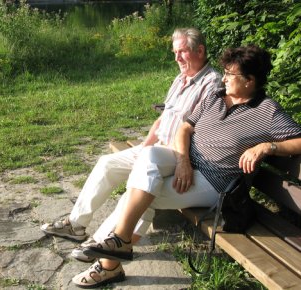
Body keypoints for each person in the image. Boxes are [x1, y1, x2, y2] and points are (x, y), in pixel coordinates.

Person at [71, 45, 301, 288]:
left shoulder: (267, 111)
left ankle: (109, 259)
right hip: (187, 162)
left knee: (142, 193)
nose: (223, 78)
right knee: (147, 158)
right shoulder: (216, 96)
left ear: (249, 80)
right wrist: (183, 161)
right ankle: (116, 244)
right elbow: (185, 128)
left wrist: (267, 147)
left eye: (230, 74)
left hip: (215, 182)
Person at [41, 27, 222, 261]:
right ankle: (76, 225)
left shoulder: (212, 83)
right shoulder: (181, 79)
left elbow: (198, 129)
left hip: (180, 153)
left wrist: (181, 160)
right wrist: (144, 147)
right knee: (107, 163)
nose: (177, 58)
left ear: (200, 50)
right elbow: (162, 119)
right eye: (174, 52)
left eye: (183, 52)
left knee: (140, 185)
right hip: (158, 150)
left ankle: (103, 242)